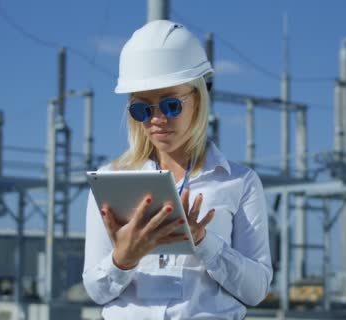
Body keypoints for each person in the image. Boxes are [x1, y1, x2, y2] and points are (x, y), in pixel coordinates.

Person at [82, 19, 272, 320]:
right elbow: (96, 291)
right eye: (142, 109)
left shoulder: (239, 183)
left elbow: (256, 290)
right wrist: (123, 259)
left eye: (170, 105)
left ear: (197, 100)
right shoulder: (111, 180)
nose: (157, 119)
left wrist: (203, 241)